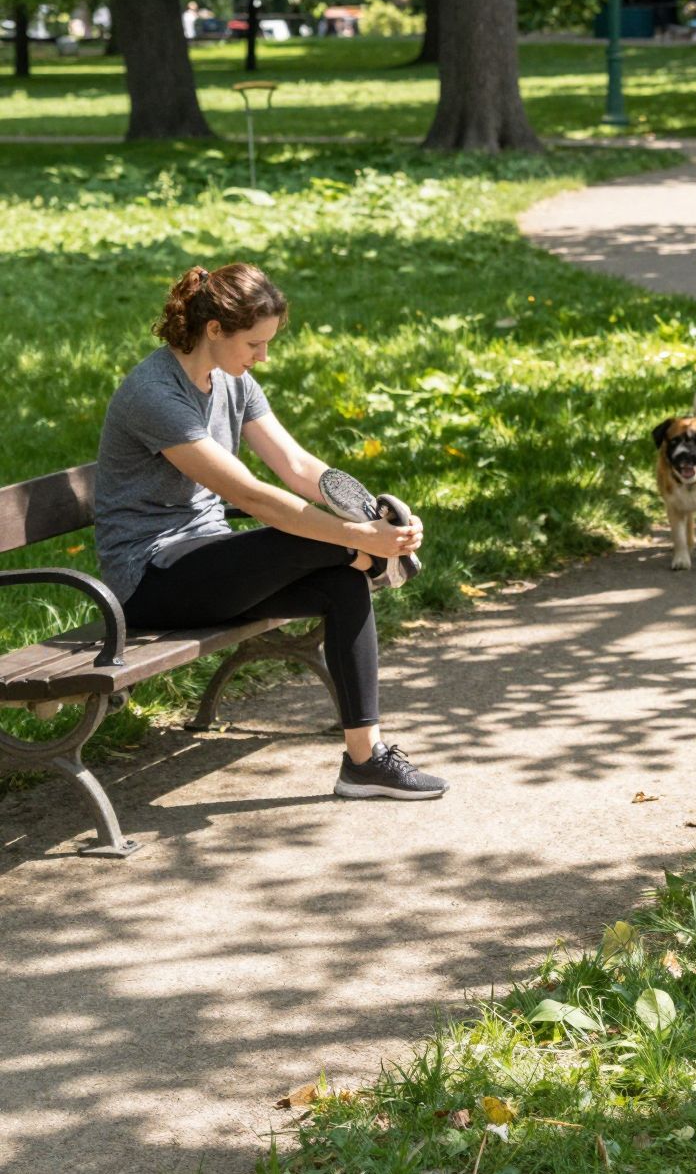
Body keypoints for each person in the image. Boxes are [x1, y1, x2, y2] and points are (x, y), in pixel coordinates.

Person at [93, 263, 448, 801]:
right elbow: (253, 497)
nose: (263, 357)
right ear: (214, 330)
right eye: (255, 344)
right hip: (147, 579)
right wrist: (360, 539)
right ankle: (368, 559)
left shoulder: (234, 382)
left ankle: (365, 761)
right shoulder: (154, 394)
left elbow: (298, 466)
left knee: (341, 578)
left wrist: (369, 517)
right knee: (317, 543)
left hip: (207, 561)